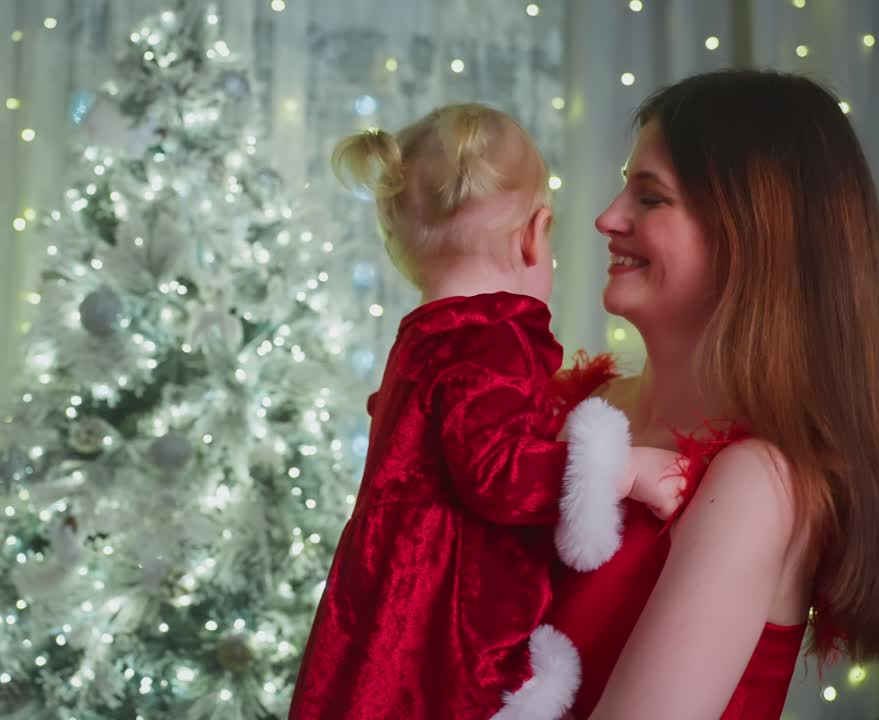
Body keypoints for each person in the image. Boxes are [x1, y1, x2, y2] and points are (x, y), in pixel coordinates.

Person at [545, 70, 879, 719]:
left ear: (749, 235)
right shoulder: (571, 408)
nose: (607, 216)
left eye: (649, 198)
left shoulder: (757, 482)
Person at [288, 103, 683, 720]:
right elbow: (497, 474)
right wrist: (623, 469)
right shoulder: (488, 338)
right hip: (437, 632)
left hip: (384, 604)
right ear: (535, 235)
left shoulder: (423, 338)